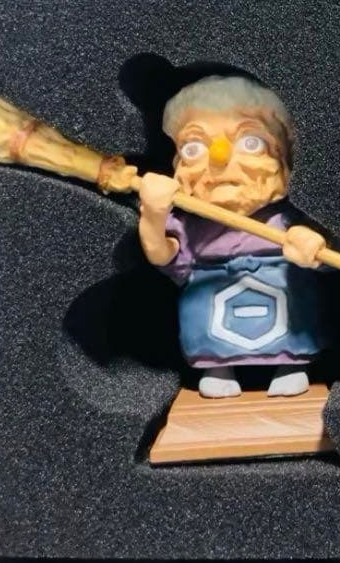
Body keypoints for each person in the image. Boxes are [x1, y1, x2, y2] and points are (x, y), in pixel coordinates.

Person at [137, 75, 329, 399]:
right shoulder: (192, 225)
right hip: (213, 297)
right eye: (194, 147)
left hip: (284, 298)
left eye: (250, 142)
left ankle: (290, 366)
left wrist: (316, 246)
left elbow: (329, 252)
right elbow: (165, 256)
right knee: (204, 319)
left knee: (298, 310)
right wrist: (154, 216)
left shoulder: (289, 217)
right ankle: (218, 368)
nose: (220, 157)